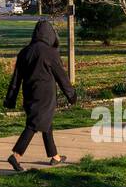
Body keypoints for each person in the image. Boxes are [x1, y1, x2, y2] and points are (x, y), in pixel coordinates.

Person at [4, 19, 77, 171]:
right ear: (50, 34)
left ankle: (55, 156)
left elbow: (16, 78)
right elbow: (61, 76)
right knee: (33, 125)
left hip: (29, 92)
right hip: (45, 95)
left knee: (45, 122)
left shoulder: (24, 52)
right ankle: (16, 155)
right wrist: (71, 95)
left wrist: (10, 99)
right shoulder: (50, 53)